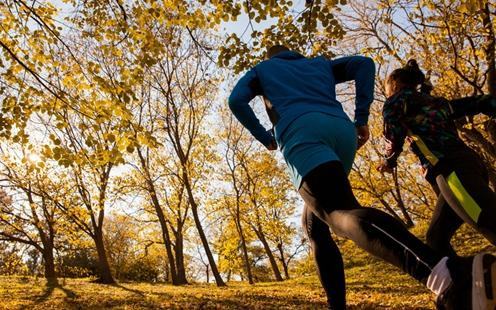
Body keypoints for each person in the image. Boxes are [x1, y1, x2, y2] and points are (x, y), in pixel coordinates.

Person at [228, 45, 496, 310]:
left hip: (302, 133)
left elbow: (236, 100)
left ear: (269, 57)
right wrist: (361, 116)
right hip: (341, 133)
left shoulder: (262, 70)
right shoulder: (318, 63)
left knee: (339, 211)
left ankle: (447, 276)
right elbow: (363, 64)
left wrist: (265, 137)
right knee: (315, 223)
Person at [378, 59, 496, 258]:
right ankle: (468, 285)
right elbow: (477, 103)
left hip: (453, 172)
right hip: (467, 167)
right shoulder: (436, 102)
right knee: (436, 240)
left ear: (394, 85)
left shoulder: (396, 102)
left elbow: (393, 136)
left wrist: (388, 161)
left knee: (491, 223)